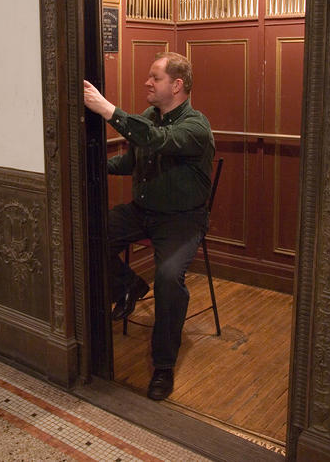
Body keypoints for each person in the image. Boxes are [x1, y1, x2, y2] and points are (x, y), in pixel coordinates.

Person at [83, 52, 215, 401]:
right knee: (86, 235)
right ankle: (127, 286)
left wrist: (107, 109)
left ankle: (163, 366)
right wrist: (93, 164)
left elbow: (158, 140)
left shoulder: (196, 126)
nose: (147, 82)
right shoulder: (148, 117)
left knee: (169, 278)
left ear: (177, 85)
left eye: (154, 77)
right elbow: (131, 160)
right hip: (143, 210)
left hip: (182, 219)